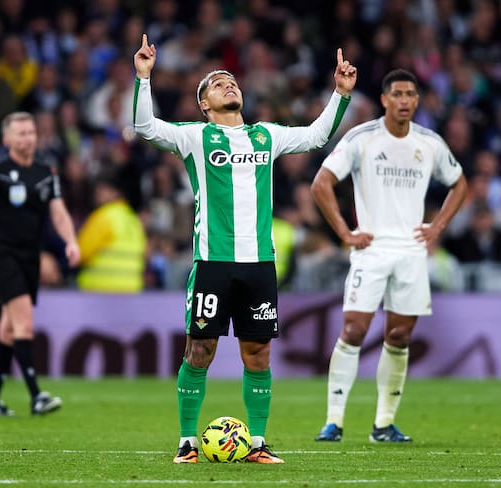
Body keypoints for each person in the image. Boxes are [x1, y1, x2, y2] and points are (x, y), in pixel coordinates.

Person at [133, 33, 357, 464]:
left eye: (231, 80)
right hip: (213, 260)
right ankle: (187, 441)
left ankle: (256, 444)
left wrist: (340, 95)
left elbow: (314, 137)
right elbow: (145, 128)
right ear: (204, 104)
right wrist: (144, 77)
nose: (228, 84)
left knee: (258, 353)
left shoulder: (265, 136)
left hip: (260, 264)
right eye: (217, 84)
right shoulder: (196, 137)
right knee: (200, 349)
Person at [311, 69, 467, 443]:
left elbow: (459, 183)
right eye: (397, 93)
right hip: (371, 250)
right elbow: (321, 183)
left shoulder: (429, 142)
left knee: (399, 335)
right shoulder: (362, 138)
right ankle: (333, 421)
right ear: (384, 99)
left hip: (412, 251)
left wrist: (437, 227)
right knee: (353, 329)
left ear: (417, 100)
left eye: (410, 94)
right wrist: (346, 234)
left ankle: (383, 423)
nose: (404, 100)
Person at [0, 111, 80, 417]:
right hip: (2, 253)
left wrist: (71, 241)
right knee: (24, 323)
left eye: (30, 132)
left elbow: (57, 212)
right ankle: (36, 395)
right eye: (20, 133)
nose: (27, 138)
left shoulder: (46, 171)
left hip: (30, 256)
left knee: (7, 329)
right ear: (7, 139)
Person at [76, 172, 147, 293]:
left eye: (103, 189)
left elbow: (80, 253)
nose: (97, 193)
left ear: (116, 192)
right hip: (132, 291)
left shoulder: (104, 216)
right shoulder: (132, 219)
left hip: (99, 290)